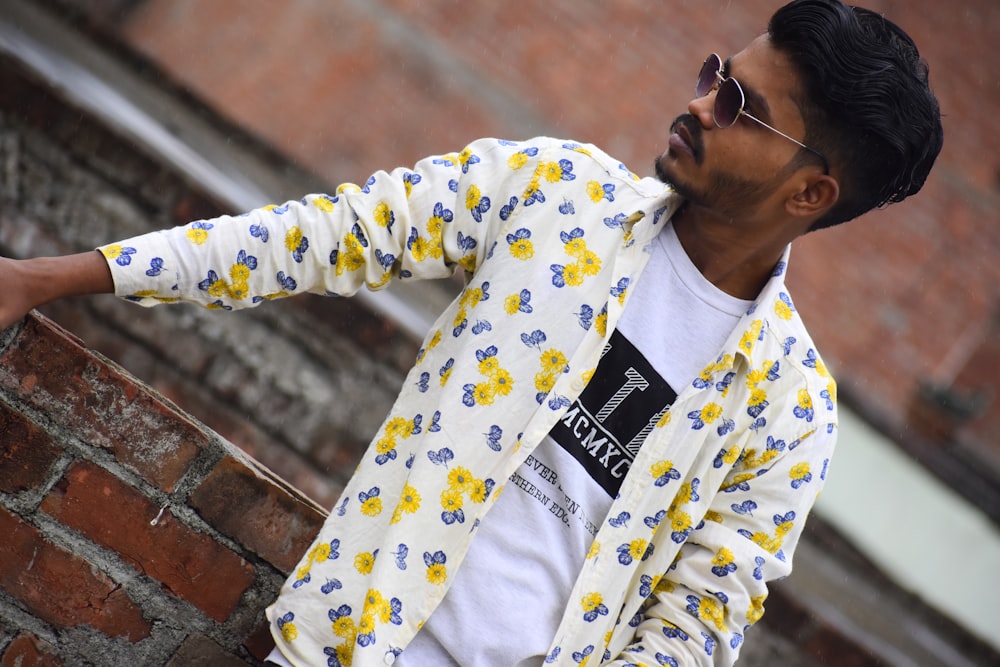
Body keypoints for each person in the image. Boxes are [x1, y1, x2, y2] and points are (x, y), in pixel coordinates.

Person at [0, 0, 941, 664]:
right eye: (716, 76)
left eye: (742, 107)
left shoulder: (787, 409)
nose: (700, 104)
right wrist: (51, 276)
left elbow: (695, 625)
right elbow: (319, 240)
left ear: (811, 191)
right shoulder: (554, 198)